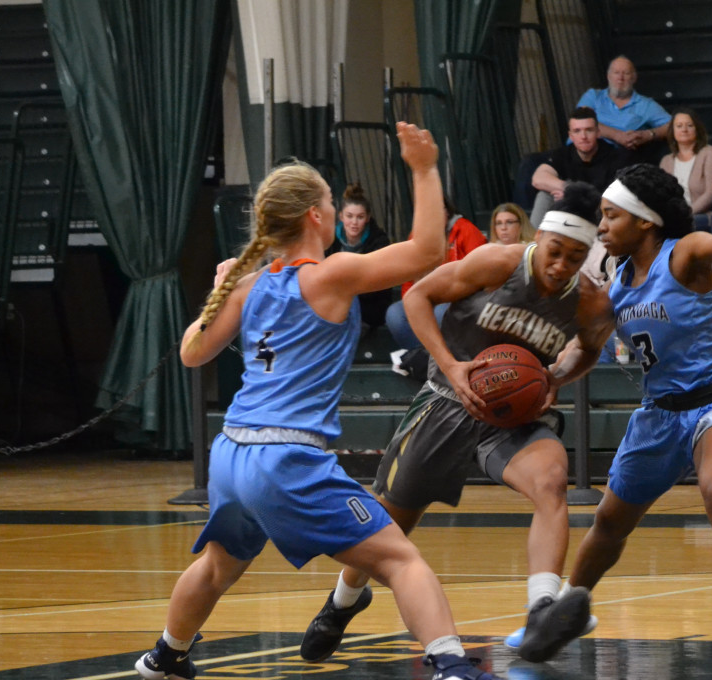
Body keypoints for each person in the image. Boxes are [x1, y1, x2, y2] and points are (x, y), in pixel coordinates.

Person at [134, 124, 501, 680]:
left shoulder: (250, 286)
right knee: (400, 560)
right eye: (330, 201)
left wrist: (221, 287)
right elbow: (427, 251)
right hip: (287, 458)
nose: (334, 210)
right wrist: (424, 168)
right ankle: (451, 667)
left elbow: (191, 352)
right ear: (314, 216)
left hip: (231, 456)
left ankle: (165, 655)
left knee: (217, 566)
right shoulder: (330, 275)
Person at [298, 183, 615, 666]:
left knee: (552, 481)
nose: (561, 265)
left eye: (575, 258)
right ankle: (343, 601)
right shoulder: (497, 262)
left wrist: (556, 376)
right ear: (541, 238)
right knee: (389, 527)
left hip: (514, 417)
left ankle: (541, 611)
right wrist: (449, 365)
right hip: (448, 401)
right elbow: (418, 298)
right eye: (555, 252)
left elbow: (588, 349)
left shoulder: (589, 302)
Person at [531, 165, 712, 679]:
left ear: (644, 222)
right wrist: (550, 377)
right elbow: (586, 348)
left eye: (611, 216)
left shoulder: (682, 254)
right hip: (659, 415)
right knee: (609, 522)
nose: (601, 227)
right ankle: (569, 608)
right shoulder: (613, 284)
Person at [385, 197, 487, 353]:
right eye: (428, 212)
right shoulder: (416, 236)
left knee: (441, 313)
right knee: (395, 315)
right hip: (425, 296)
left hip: (457, 297)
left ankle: (444, 357)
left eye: (438, 210)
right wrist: (411, 302)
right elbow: (408, 276)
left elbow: (479, 271)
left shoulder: (466, 230)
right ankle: (422, 356)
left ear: (447, 212)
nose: (434, 216)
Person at [530, 107, 629, 227]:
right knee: (544, 195)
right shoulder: (563, 154)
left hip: (600, 212)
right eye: (577, 131)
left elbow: (615, 197)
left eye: (589, 130)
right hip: (570, 211)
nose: (583, 136)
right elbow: (538, 179)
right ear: (570, 136)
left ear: (598, 132)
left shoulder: (615, 156)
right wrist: (569, 189)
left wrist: (576, 195)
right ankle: (532, 242)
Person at [576, 55, 672, 164]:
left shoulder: (645, 104)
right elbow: (581, 120)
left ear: (634, 78)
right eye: (616, 73)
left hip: (621, 158)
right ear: (608, 76)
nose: (620, 78)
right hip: (585, 154)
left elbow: (672, 125)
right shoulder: (593, 96)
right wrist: (617, 135)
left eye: (626, 73)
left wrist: (649, 134)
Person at [324, 182, 393, 330]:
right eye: (349, 216)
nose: (354, 223)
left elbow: (378, 284)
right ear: (341, 216)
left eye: (360, 217)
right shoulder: (328, 240)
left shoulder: (379, 241)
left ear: (367, 218)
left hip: (369, 307)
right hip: (334, 303)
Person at [659, 108, 712, 231]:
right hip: (674, 218)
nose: (684, 130)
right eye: (679, 126)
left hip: (702, 216)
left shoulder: (710, 153)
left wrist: (685, 214)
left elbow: (711, 193)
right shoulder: (666, 161)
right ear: (672, 131)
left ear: (697, 129)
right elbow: (663, 196)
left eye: (689, 125)